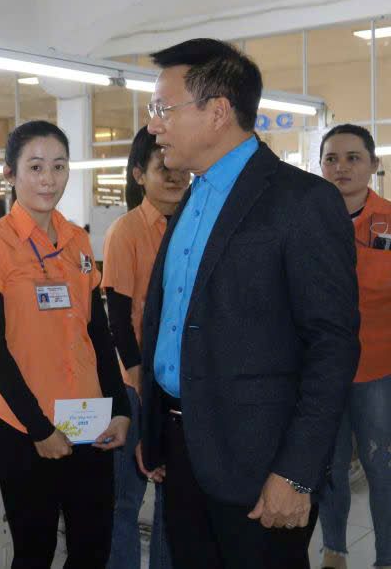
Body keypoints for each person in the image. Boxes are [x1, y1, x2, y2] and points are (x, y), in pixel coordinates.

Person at [137, 38, 360, 569]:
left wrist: (297, 472)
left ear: (217, 112)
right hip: (181, 449)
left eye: (163, 108)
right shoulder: (192, 198)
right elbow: (174, 319)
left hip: (261, 465)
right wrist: (155, 430)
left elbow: (332, 346)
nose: (153, 125)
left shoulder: (302, 202)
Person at [0, 120, 131, 568]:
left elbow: (98, 334)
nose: (48, 179)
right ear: (10, 173)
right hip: (23, 426)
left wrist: (120, 408)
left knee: (92, 548)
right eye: (35, 167)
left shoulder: (78, 240)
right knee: (34, 551)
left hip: (86, 418)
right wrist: (39, 428)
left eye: (59, 166)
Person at [103, 128, 189, 569]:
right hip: (137, 384)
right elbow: (118, 319)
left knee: (173, 496)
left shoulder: (193, 227)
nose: (174, 177)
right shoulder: (127, 231)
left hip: (179, 384)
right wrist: (140, 384)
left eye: (179, 169)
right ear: (139, 174)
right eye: (162, 169)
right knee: (126, 498)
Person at [317, 124, 391, 569]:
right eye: (331, 158)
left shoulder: (390, 220)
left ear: (373, 165)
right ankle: (334, 550)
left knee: (382, 466)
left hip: (377, 368)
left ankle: (386, 557)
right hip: (322, 370)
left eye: (353, 158)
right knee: (330, 467)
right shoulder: (306, 220)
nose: (341, 167)